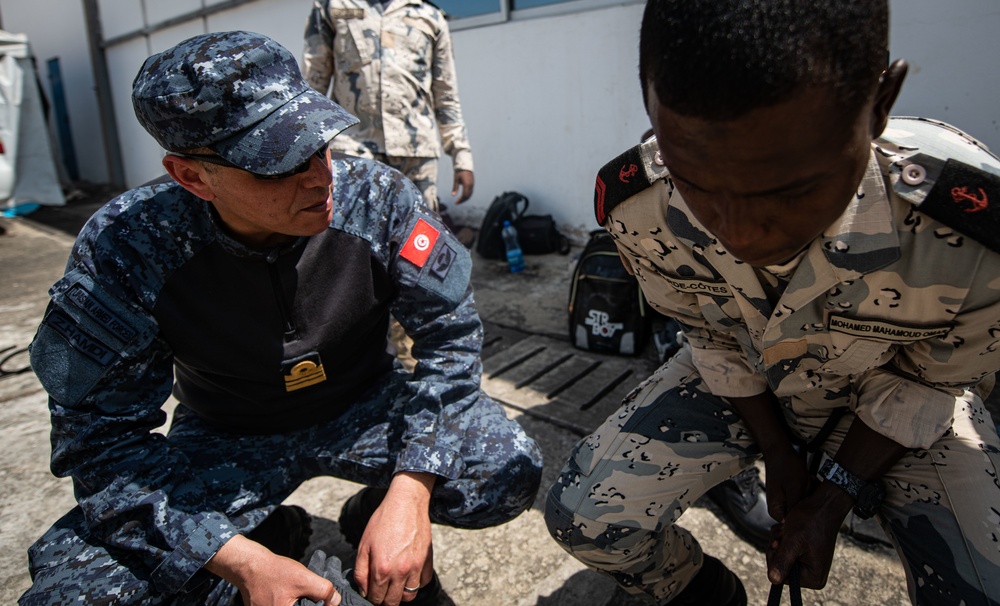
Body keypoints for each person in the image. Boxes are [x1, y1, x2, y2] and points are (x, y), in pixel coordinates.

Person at [19, 30, 542, 606]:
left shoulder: (377, 199)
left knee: (505, 468)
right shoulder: (129, 245)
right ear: (192, 177)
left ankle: (371, 516)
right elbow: (100, 443)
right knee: (75, 593)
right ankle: (265, 535)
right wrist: (237, 559)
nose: (319, 178)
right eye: (277, 164)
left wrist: (411, 490)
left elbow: (451, 340)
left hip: (365, 407)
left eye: (318, 143)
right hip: (227, 433)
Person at [545, 2, 1000, 605]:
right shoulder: (640, 207)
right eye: (697, 184)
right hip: (750, 377)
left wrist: (833, 495)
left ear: (879, 104)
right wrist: (779, 455)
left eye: (791, 189)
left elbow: (934, 383)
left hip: (899, 396)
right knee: (585, 517)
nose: (740, 232)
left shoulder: (970, 232)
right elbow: (710, 338)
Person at [302, 0, 475, 211]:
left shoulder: (430, 15)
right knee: (351, 237)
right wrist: (305, 150)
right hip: (354, 149)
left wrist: (462, 158)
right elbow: (313, 84)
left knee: (417, 236)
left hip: (415, 155)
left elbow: (446, 95)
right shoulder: (333, 6)